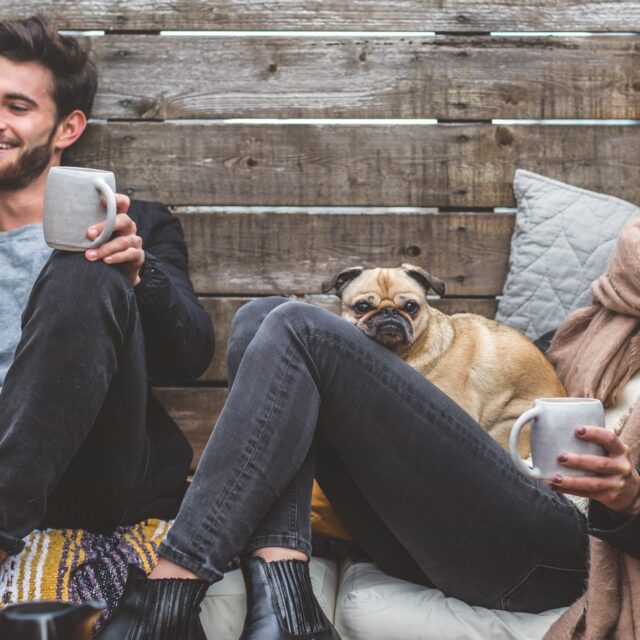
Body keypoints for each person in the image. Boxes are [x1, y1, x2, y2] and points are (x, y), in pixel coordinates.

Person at [96, 219, 640, 639]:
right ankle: (286, 598)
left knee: (295, 324)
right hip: (440, 535)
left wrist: (628, 501)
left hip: (555, 550)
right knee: (261, 316)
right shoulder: (602, 326)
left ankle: (168, 592)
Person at [0, 15, 213, 563]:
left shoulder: (136, 225)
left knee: (89, 263)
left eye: (16, 107)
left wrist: (137, 275)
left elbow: (188, 356)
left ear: (67, 128)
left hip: (92, 476)